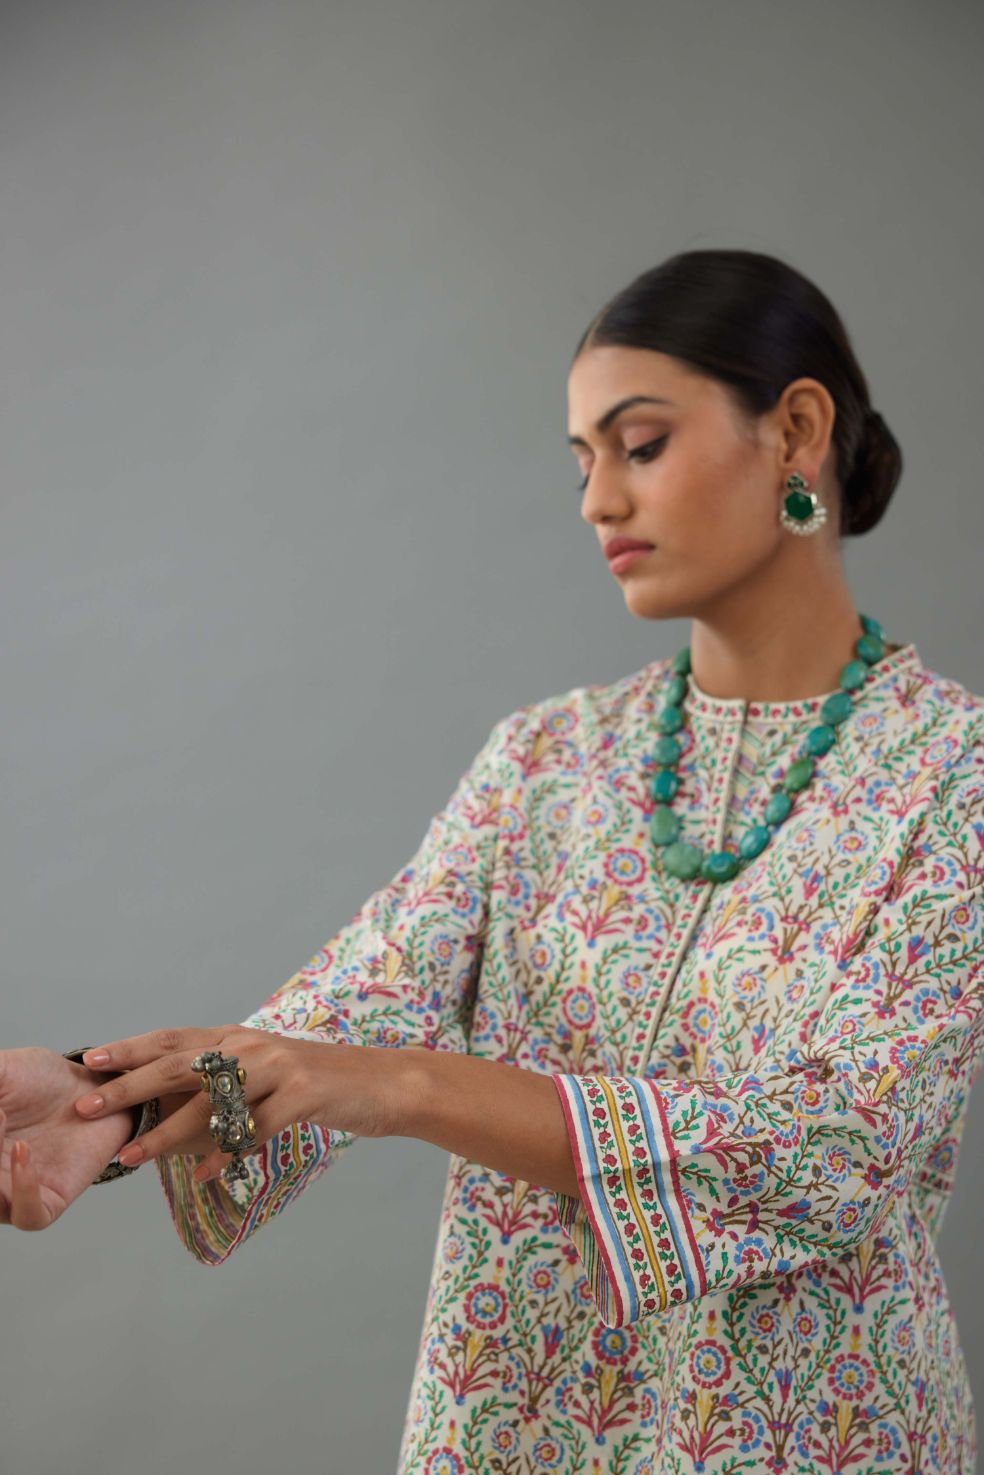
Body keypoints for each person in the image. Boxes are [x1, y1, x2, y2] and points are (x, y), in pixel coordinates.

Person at [2, 246, 982, 1475]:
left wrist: (408, 1087)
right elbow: (351, 1009)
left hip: (818, 1434)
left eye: (638, 445)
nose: (596, 503)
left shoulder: (954, 774)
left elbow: (832, 1143)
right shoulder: (546, 763)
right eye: (580, 463)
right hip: (518, 1420)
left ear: (794, 430)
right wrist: (110, 1102)